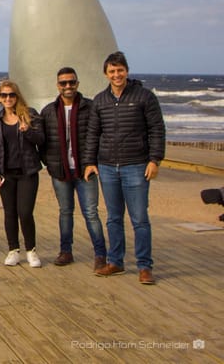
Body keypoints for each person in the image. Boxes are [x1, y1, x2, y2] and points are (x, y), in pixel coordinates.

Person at [84, 51, 165, 285]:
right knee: (113, 218)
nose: (116, 74)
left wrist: (155, 160)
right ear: (106, 74)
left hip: (136, 166)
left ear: (126, 71)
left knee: (139, 218)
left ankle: (144, 266)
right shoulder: (100, 100)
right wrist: (90, 162)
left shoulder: (144, 97)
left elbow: (157, 130)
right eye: (112, 71)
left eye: (120, 70)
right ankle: (116, 262)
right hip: (107, 167)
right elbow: (93, 134)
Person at [40, 67, 107, 271]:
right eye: (63, 83)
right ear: (58, 85)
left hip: (85, 171)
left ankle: (100, 254)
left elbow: (98, 137)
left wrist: (91, 163)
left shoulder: (91, 107)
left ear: (77, 84)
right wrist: (51, 166)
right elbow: (43, 142)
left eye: (71, 82)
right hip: (60, 172)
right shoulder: (49, 111)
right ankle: (66, 251)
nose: (68, 86)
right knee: (65, 212)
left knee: (91, 213)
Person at [0, 81, 45, 267]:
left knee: (25, 212)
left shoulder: (30, 115)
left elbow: (41, 140)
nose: (8, 99)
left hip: (27, 172)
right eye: (4, 95)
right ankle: (13, 250)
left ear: (17, 96)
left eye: (11, 95)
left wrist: (27, 130)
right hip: (6, 174)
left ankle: (31, 250)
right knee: (9, 213)